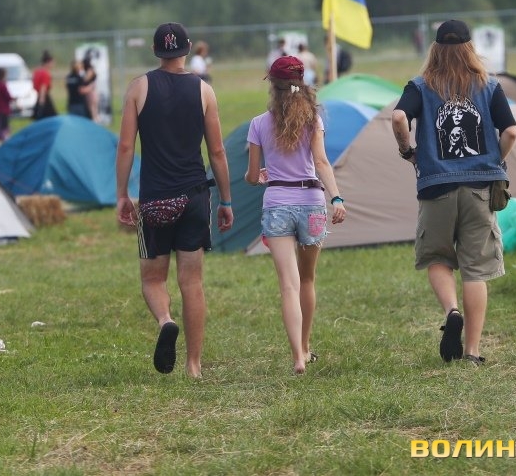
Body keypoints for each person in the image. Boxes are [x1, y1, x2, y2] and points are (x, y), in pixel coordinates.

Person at [390, 19, 516, 367]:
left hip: (437, 186)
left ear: (435, 50)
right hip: (480, 188)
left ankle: (452, 311)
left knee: (437, 258)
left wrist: (408, 152)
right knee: (475, 270)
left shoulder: (420, 86)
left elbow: (399, 117)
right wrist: (494, 161)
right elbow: (510, 132)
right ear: (470, 49)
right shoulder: (489, 85)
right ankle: (472, 352)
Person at [115, 22, 233, 379]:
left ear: (155, 50)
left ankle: (166, 320)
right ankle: (194, 366)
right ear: (188, 48)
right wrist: (226, 200)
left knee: (153, 279)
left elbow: (126, 146)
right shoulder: (203, 90)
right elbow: (216, 151)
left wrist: (121, 194)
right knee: (192, 282)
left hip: (155, 199)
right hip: (194, 195)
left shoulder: (138, 88)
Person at [245, 55, 346, 374]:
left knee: (288, 286)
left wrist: (259, 176)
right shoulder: (314, 120)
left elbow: (251, 176)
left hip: (277, 203)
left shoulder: (258, 124)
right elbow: (322, 162)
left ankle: (298, 358)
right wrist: (336, 197)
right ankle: (305, 345)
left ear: (272, 86)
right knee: (307, 279)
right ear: (302, 83)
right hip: (313, 202)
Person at [32, 50, 57, 120]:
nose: (53, 64)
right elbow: (43, 87)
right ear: (47, 63)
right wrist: (42, 100)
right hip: (44, 97)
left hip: (38, 96)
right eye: (52, 62)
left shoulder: (37, 71)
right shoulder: (45, 73)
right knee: (51, 117)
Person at [81, 53, 99, 120]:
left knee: (93, 109)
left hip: (91, 92)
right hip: (91, 91)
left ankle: (95, 121)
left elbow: (86, 80)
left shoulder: (90, 70)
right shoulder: (90, 70)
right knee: (92, 109)